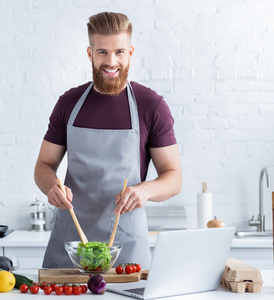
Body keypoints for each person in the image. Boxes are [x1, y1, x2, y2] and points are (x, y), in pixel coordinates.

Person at [34, 12, 182, 269]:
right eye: (102, 52)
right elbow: (43, 166)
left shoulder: (152, 106)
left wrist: (144, 191)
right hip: (70, 248)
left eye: (119, 52)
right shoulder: (69, 104)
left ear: (130, 52)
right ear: (90, 53)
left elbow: (174, 177)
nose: (111, 62)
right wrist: (51, 186)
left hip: (127, 248)